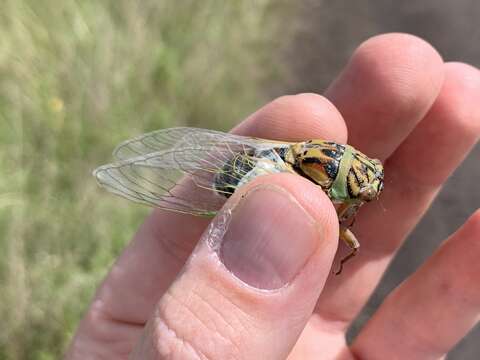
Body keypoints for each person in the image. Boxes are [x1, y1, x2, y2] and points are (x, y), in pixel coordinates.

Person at [66, 33, 480, 359]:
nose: (364, 191)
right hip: (248, 175)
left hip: (278, 158)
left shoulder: (338, 171)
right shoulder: (325, 195)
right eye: (360, 184)